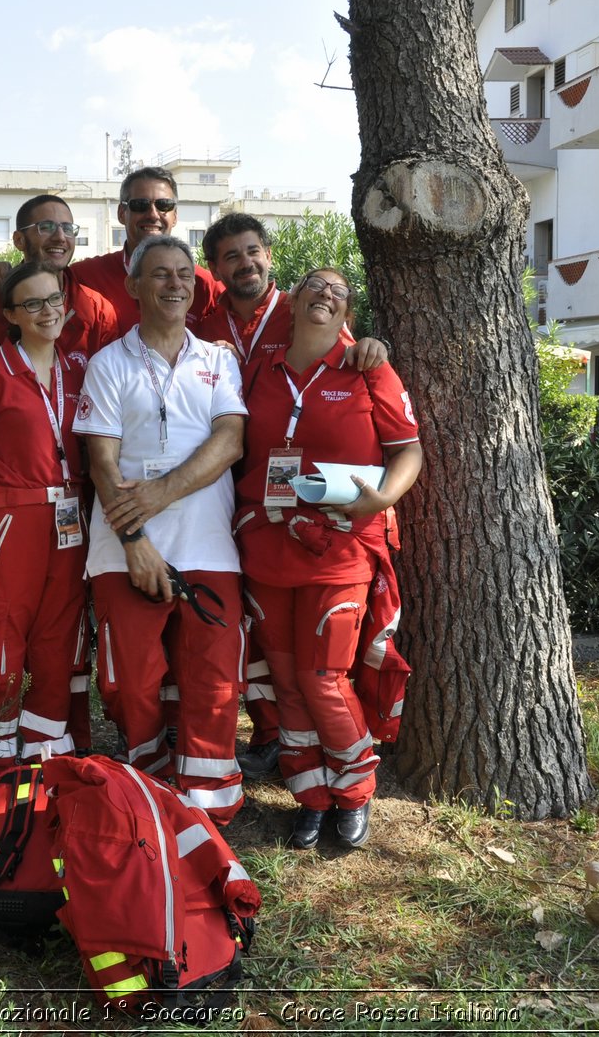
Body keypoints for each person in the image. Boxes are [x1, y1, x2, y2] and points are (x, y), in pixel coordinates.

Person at [233, 268, 422, 849]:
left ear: (349, 313)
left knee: (324, 677)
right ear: (291, 300)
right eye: (314, 285)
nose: (325, 294)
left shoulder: (368, 367)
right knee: (287, 680)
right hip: (266, 541)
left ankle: (355, 787)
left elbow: (407, 450)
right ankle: (310, 794)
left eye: (338, 292)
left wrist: (384, 498)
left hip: (340, 545)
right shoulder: (259, 367)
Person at [197, 212, 391, 778]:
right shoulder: (203, 320)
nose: (245, 263)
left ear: (270, 256)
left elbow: (349, 356)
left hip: (313, 520)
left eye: (252, 251)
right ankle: (278, 739)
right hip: (238, 502)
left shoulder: (302, 307)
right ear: (215, 269)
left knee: (315, 660)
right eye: (230, 256)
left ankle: (332, 763)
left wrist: (370, 346)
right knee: (263, 639)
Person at [72, 235, 248, 825]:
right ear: (133, 286)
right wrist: (135, 541)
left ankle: (207, 806)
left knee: (213, 678)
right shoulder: (107, 363)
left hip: (207, 544)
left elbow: (230, 441)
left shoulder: (219, 360)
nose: (175, 284)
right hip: (124, 551)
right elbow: (102, 461)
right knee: (133, 682)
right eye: (160, 275)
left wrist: (158, 495)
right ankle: (146, 793)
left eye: (184, 275)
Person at [0, 260, 88, 759]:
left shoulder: (79, 367)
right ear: (11, 314)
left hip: (70, 521)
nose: (46, 311)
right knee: (0, 638)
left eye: (53, 299)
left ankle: (43, 759)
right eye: (31, 303)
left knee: (58, 640)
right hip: (11, 521)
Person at [0, 195, 119, 375]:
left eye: (68, 228)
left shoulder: (98, 312)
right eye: (46, 227)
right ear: (19, 240)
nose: (60, 237)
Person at [68, 166, 224, 330]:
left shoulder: (204, 284)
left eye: (164, 205)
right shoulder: (84, 277)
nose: (153, 214)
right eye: (140, 204)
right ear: (122, 213)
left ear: (175, 216)